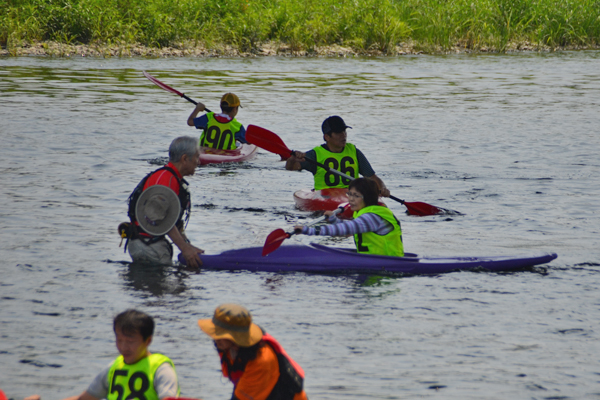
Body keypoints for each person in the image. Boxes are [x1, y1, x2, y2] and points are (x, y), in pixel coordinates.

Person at [121, 136, 204, 269]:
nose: (198, 162)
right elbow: (158, 217)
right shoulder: (165, 180)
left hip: (149, 244)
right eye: (196, 157)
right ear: (184, 159)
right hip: (147, 246)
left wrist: (188, 246)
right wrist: (185, 249)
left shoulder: (172, 178)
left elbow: (173, 220)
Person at [61, 309, 180, 400]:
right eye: (119, 340)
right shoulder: (113, 368)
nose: (123, 347)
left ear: (148, 341)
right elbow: (84, 398)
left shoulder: (161, 369)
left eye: (130, 342)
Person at [198, 304, 308, 400]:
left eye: (220, 334)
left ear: (236, 337)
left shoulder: (261, 360)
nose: (214, 338)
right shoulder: (227, 346)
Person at [294, 178, 404, 257]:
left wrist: (308, 230)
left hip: (387, 266)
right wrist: (334, 220)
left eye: (356, 196)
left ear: (368, 198)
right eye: (349, 194)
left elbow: (343, 229)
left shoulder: (372, 217)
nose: (350, 199)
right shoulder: (365, 213)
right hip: (374, 261)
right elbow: (349, 228)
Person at [285, 115, 391, 197]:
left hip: (352, 196)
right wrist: (292, 159)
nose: (343, 135)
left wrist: (382, 188)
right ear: (327, 137)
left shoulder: (354, 151)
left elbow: (372, 177)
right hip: (325, 196)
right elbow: (291, 168)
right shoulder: (315, 154)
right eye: (338, 132)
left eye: (344, 131)